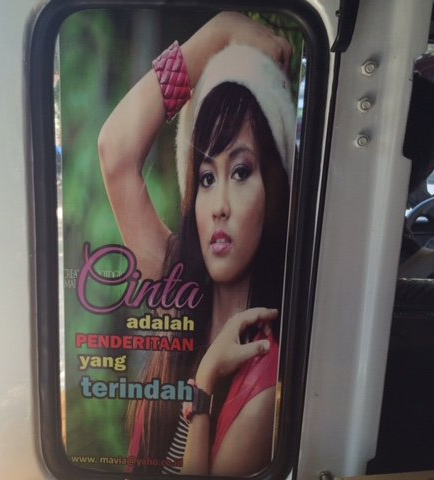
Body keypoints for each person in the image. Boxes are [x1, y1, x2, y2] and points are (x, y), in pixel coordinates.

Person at [98, 11, 296, 476]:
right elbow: (115, 151)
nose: (219, 206)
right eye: (207, 177)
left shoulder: (266, 376)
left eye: (241, 172)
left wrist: (203, 387)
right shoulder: (180, 284)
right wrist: (217, 33)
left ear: (274, 189)